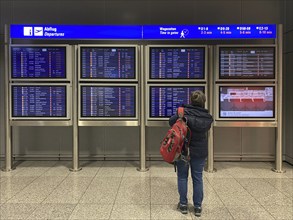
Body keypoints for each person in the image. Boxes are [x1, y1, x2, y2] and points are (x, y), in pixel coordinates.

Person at [169, 90, 213, 217]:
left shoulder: (183, 113)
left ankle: (183, 204)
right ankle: (198, 207)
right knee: (197, 178)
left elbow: (171, 122)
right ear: (203, 102)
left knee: (182, 177)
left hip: (183, 150)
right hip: (200, 152)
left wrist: (180, 116)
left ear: (191, 101)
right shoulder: (208, 118)